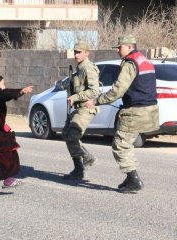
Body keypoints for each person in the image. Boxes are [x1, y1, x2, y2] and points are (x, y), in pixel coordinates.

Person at [85, 34, 159, 193]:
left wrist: (96, 101)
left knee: (120, 145)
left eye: (120, 47)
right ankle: (130, 177)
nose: (118, 50)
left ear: (130, 47)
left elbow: (117, 90)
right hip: (150, 110)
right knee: (127, 144)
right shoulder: (145, 61)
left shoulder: (130, 64)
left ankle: (134, 180)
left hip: (135, 111)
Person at [56, 41, 100, 180]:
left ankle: (84, 162)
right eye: (75, 52)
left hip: (86, 108)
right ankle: (80, 165)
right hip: (77, 108)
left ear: (87, 53)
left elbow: (94, 91)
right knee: (67, 134)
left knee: (72, 135)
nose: (76, 54)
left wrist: (76, 96)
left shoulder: (88, 68)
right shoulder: (78, 69)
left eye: (79, 52)